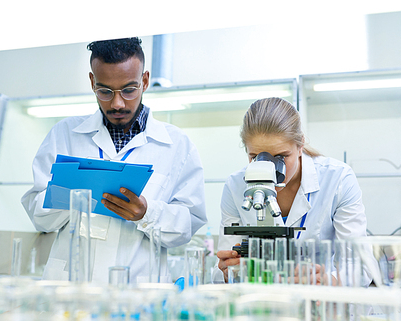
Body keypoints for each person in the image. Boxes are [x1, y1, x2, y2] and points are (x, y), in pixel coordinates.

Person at [22, 37, 207, 284]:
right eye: (105, 91)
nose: (117, 103)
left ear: (144, 80)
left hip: (138, 291)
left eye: (129, 90)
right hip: (70, 289)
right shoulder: (64, 134)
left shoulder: (177, 146)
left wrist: (146, 213)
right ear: (92, 82)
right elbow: (38, 216)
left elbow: (187, 226)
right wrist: (71, 197)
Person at [215, 97, 374, 286]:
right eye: (256, 157)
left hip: (318, 304)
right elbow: (222, 269)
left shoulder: (337, 179)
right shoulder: (236, 186)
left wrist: (328, 281)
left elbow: (360, 267)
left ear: (300, 146)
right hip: (264, 304)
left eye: (281, 157)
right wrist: (230, 271)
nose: (270, 169)